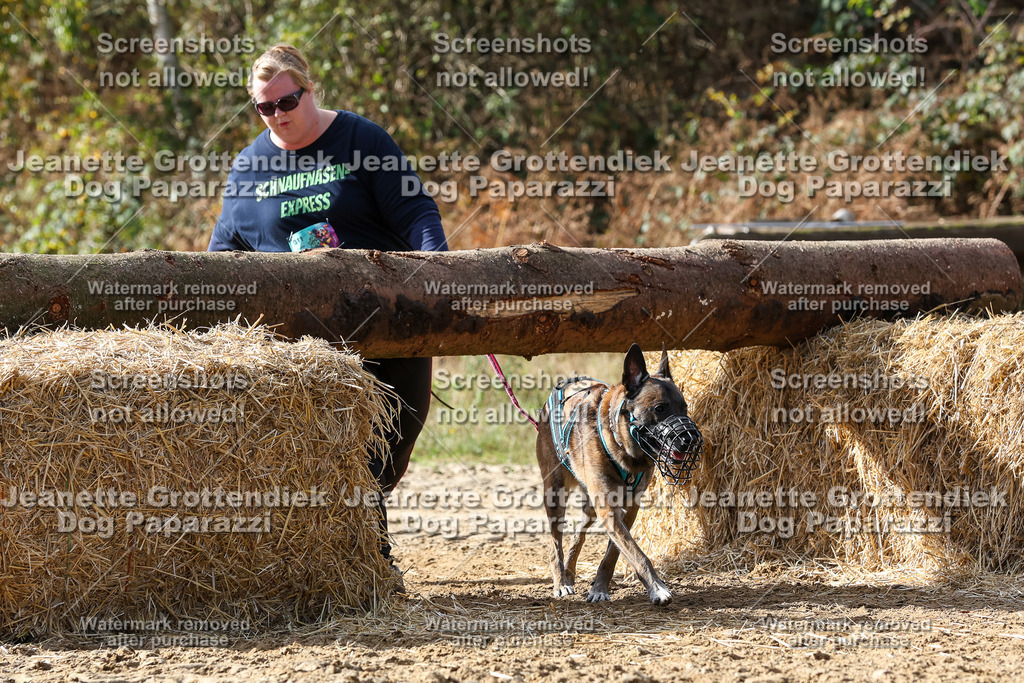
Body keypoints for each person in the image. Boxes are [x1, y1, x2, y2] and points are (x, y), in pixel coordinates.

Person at [208, 43, 447, 577]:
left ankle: (354, 553)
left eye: (286, 101)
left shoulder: (362, 140)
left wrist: (438, 274)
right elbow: (224, 253)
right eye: (264, 108)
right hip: (299, 344)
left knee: (390, 448)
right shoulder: (248, 168)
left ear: (310, 90)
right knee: (333, 454)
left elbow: (415, 213)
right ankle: (363, 567)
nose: (277, 115)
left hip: (384, 323)